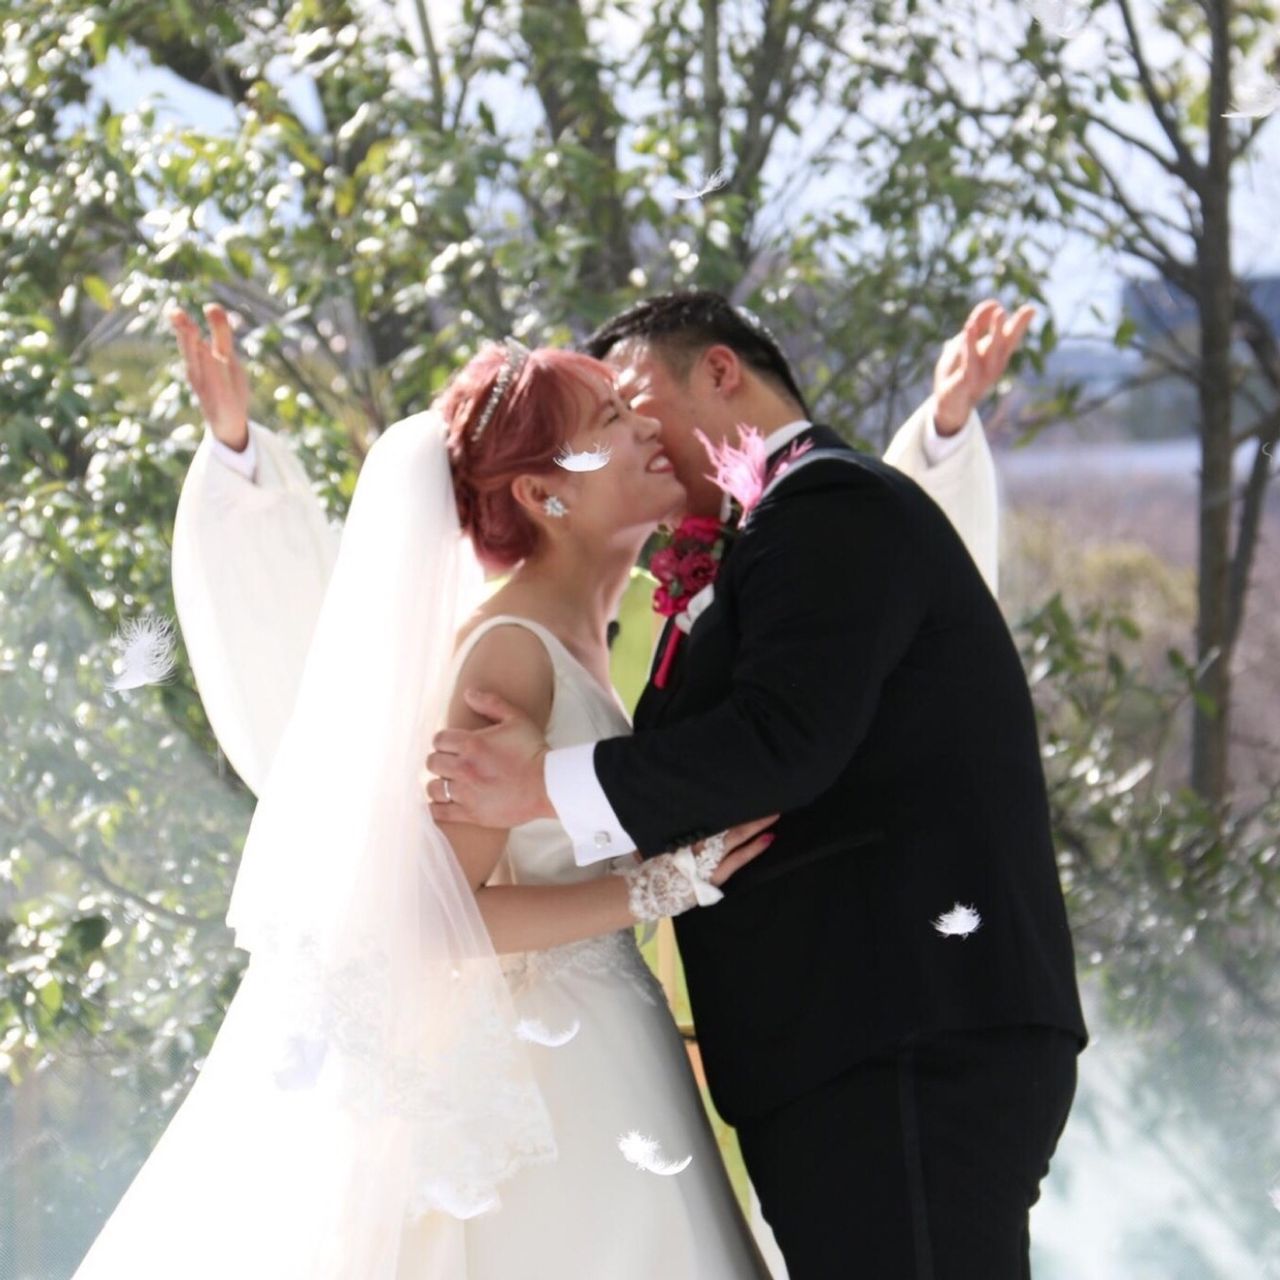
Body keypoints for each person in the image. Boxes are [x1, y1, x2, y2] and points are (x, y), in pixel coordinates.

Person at [426, 291, 1089, 1279]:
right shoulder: (766, 539)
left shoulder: (827, 505)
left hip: (899, 1035)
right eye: (609, 419)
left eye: (633, 401)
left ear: (719, 371)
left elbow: (781, 741)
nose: (638, 431)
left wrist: (543, 788)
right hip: (835, 1049)